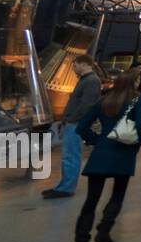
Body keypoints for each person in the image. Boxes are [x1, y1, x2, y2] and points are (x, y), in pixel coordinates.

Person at [71, 73, 141, 242]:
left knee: (91, 199)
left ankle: (81, 240)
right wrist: (134, 146)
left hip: (101, 153)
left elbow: (81, 127)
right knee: (117, 194)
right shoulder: (139, 100)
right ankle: (104, 231)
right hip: (124, 153)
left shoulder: (104, 101)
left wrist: (96, 140)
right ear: (134, 83)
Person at [43, 54, 102, 199]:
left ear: (84, 64)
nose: (74, 68)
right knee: (68, 156)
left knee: (71, 156)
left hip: (76, 124)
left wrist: (71, 119)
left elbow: (86, 105)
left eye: (75, 65)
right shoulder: (86, 80)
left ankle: (67, 188)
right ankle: (63, 186)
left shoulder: (92, 81)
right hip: (73, 123)